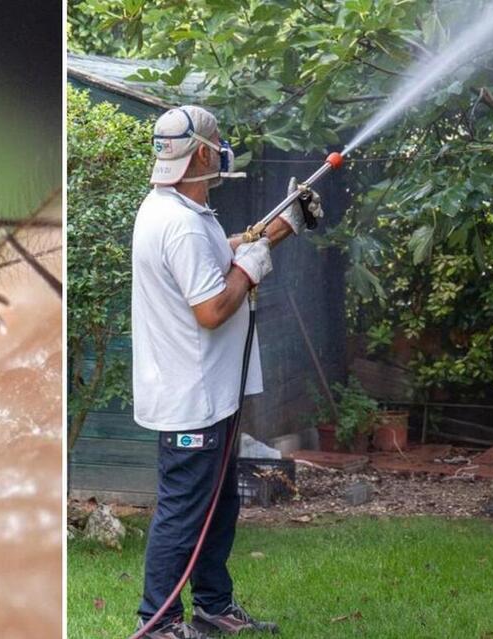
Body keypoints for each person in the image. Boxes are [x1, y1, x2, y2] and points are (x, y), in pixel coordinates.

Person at [130, 105, 321, 638]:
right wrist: (248, 269)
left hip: (211, 392)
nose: (224, 148)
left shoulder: (181, 211)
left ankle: (212, 605)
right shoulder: (180, 226)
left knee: (217, 505)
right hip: (192, 397)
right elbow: (212, 309)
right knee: (184, 510)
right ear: (203, 155)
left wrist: (280, 228)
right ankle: (158, 622)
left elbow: (219, 256)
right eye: (218, 142)